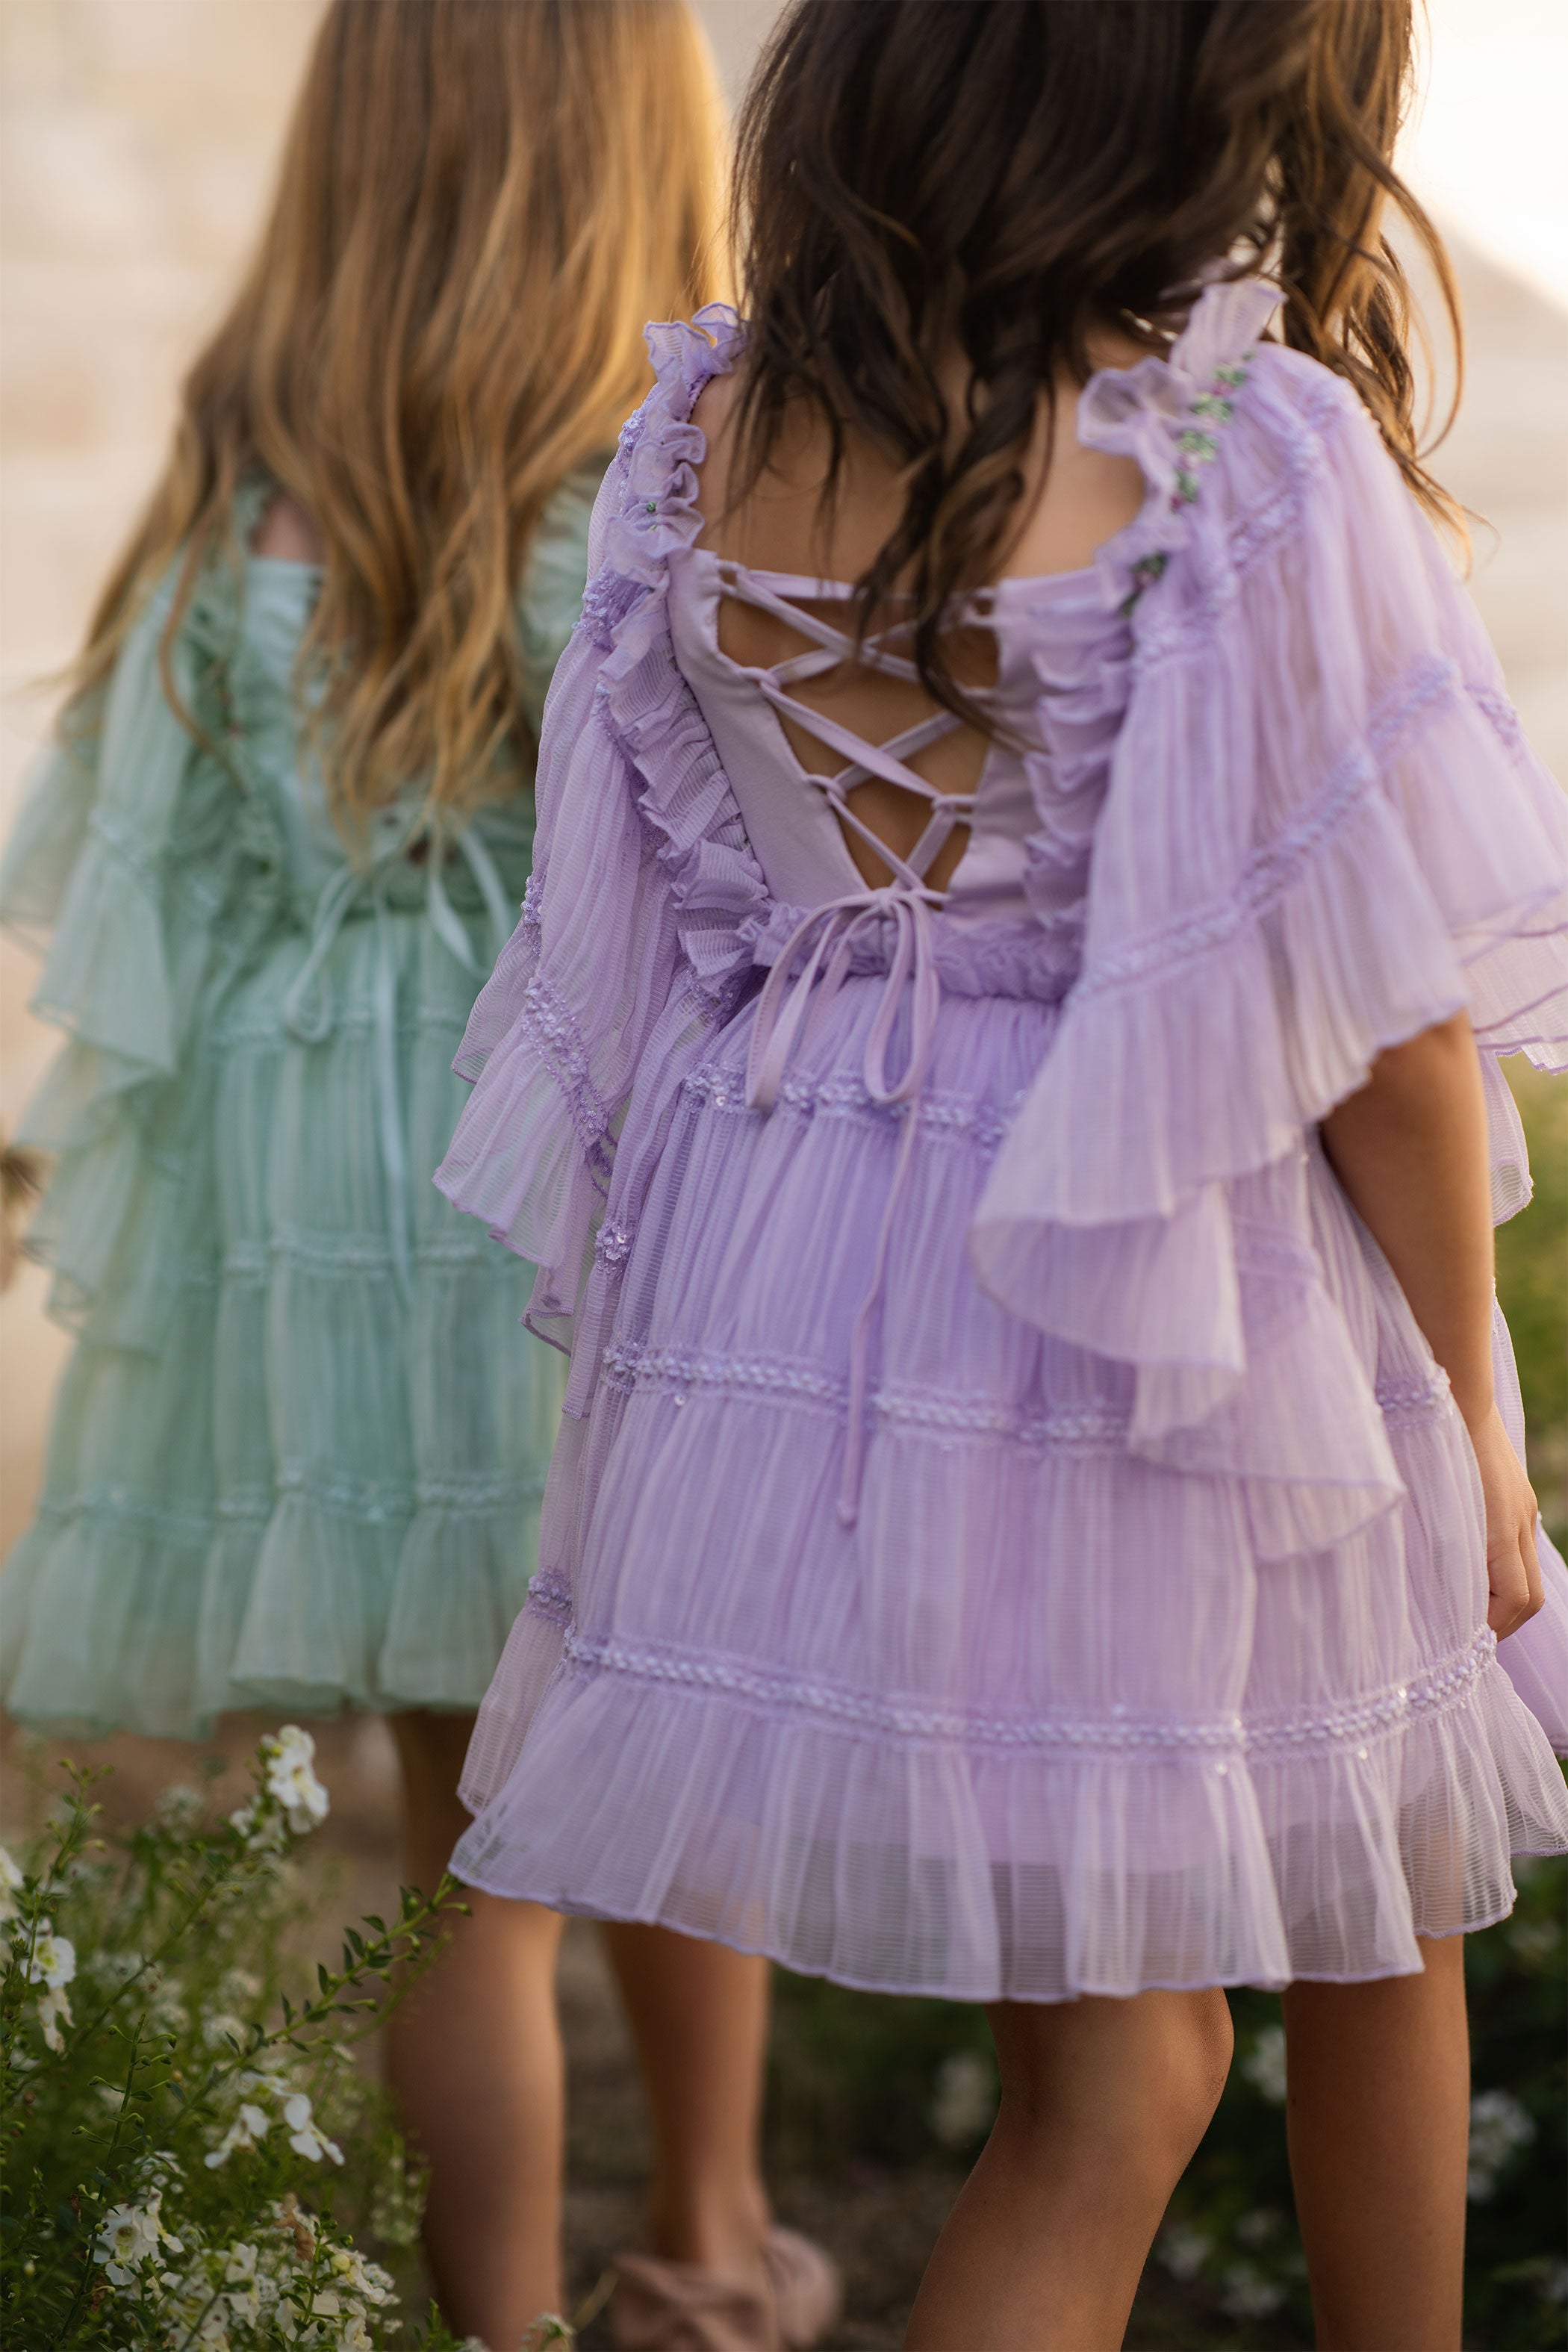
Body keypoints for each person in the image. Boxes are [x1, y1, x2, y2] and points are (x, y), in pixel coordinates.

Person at [435, 0, 1568, 2344]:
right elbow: (1381, 1023)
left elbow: (682, 926)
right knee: (1310, 1955)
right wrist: (1467, 1390)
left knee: (1130, 2043)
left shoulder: (700, 435)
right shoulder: (1238, 446)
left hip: (800, 1259)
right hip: (1156, 1276)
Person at [1, 7, 841, 2348]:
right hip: (559, 1194)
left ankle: (497, 2330)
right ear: (631, 134)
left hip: (315, 1229)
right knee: (656, 1724)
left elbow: (158, 868)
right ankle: (707, 2241)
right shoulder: (679, 450)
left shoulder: (239, 442)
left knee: (460, 1842)